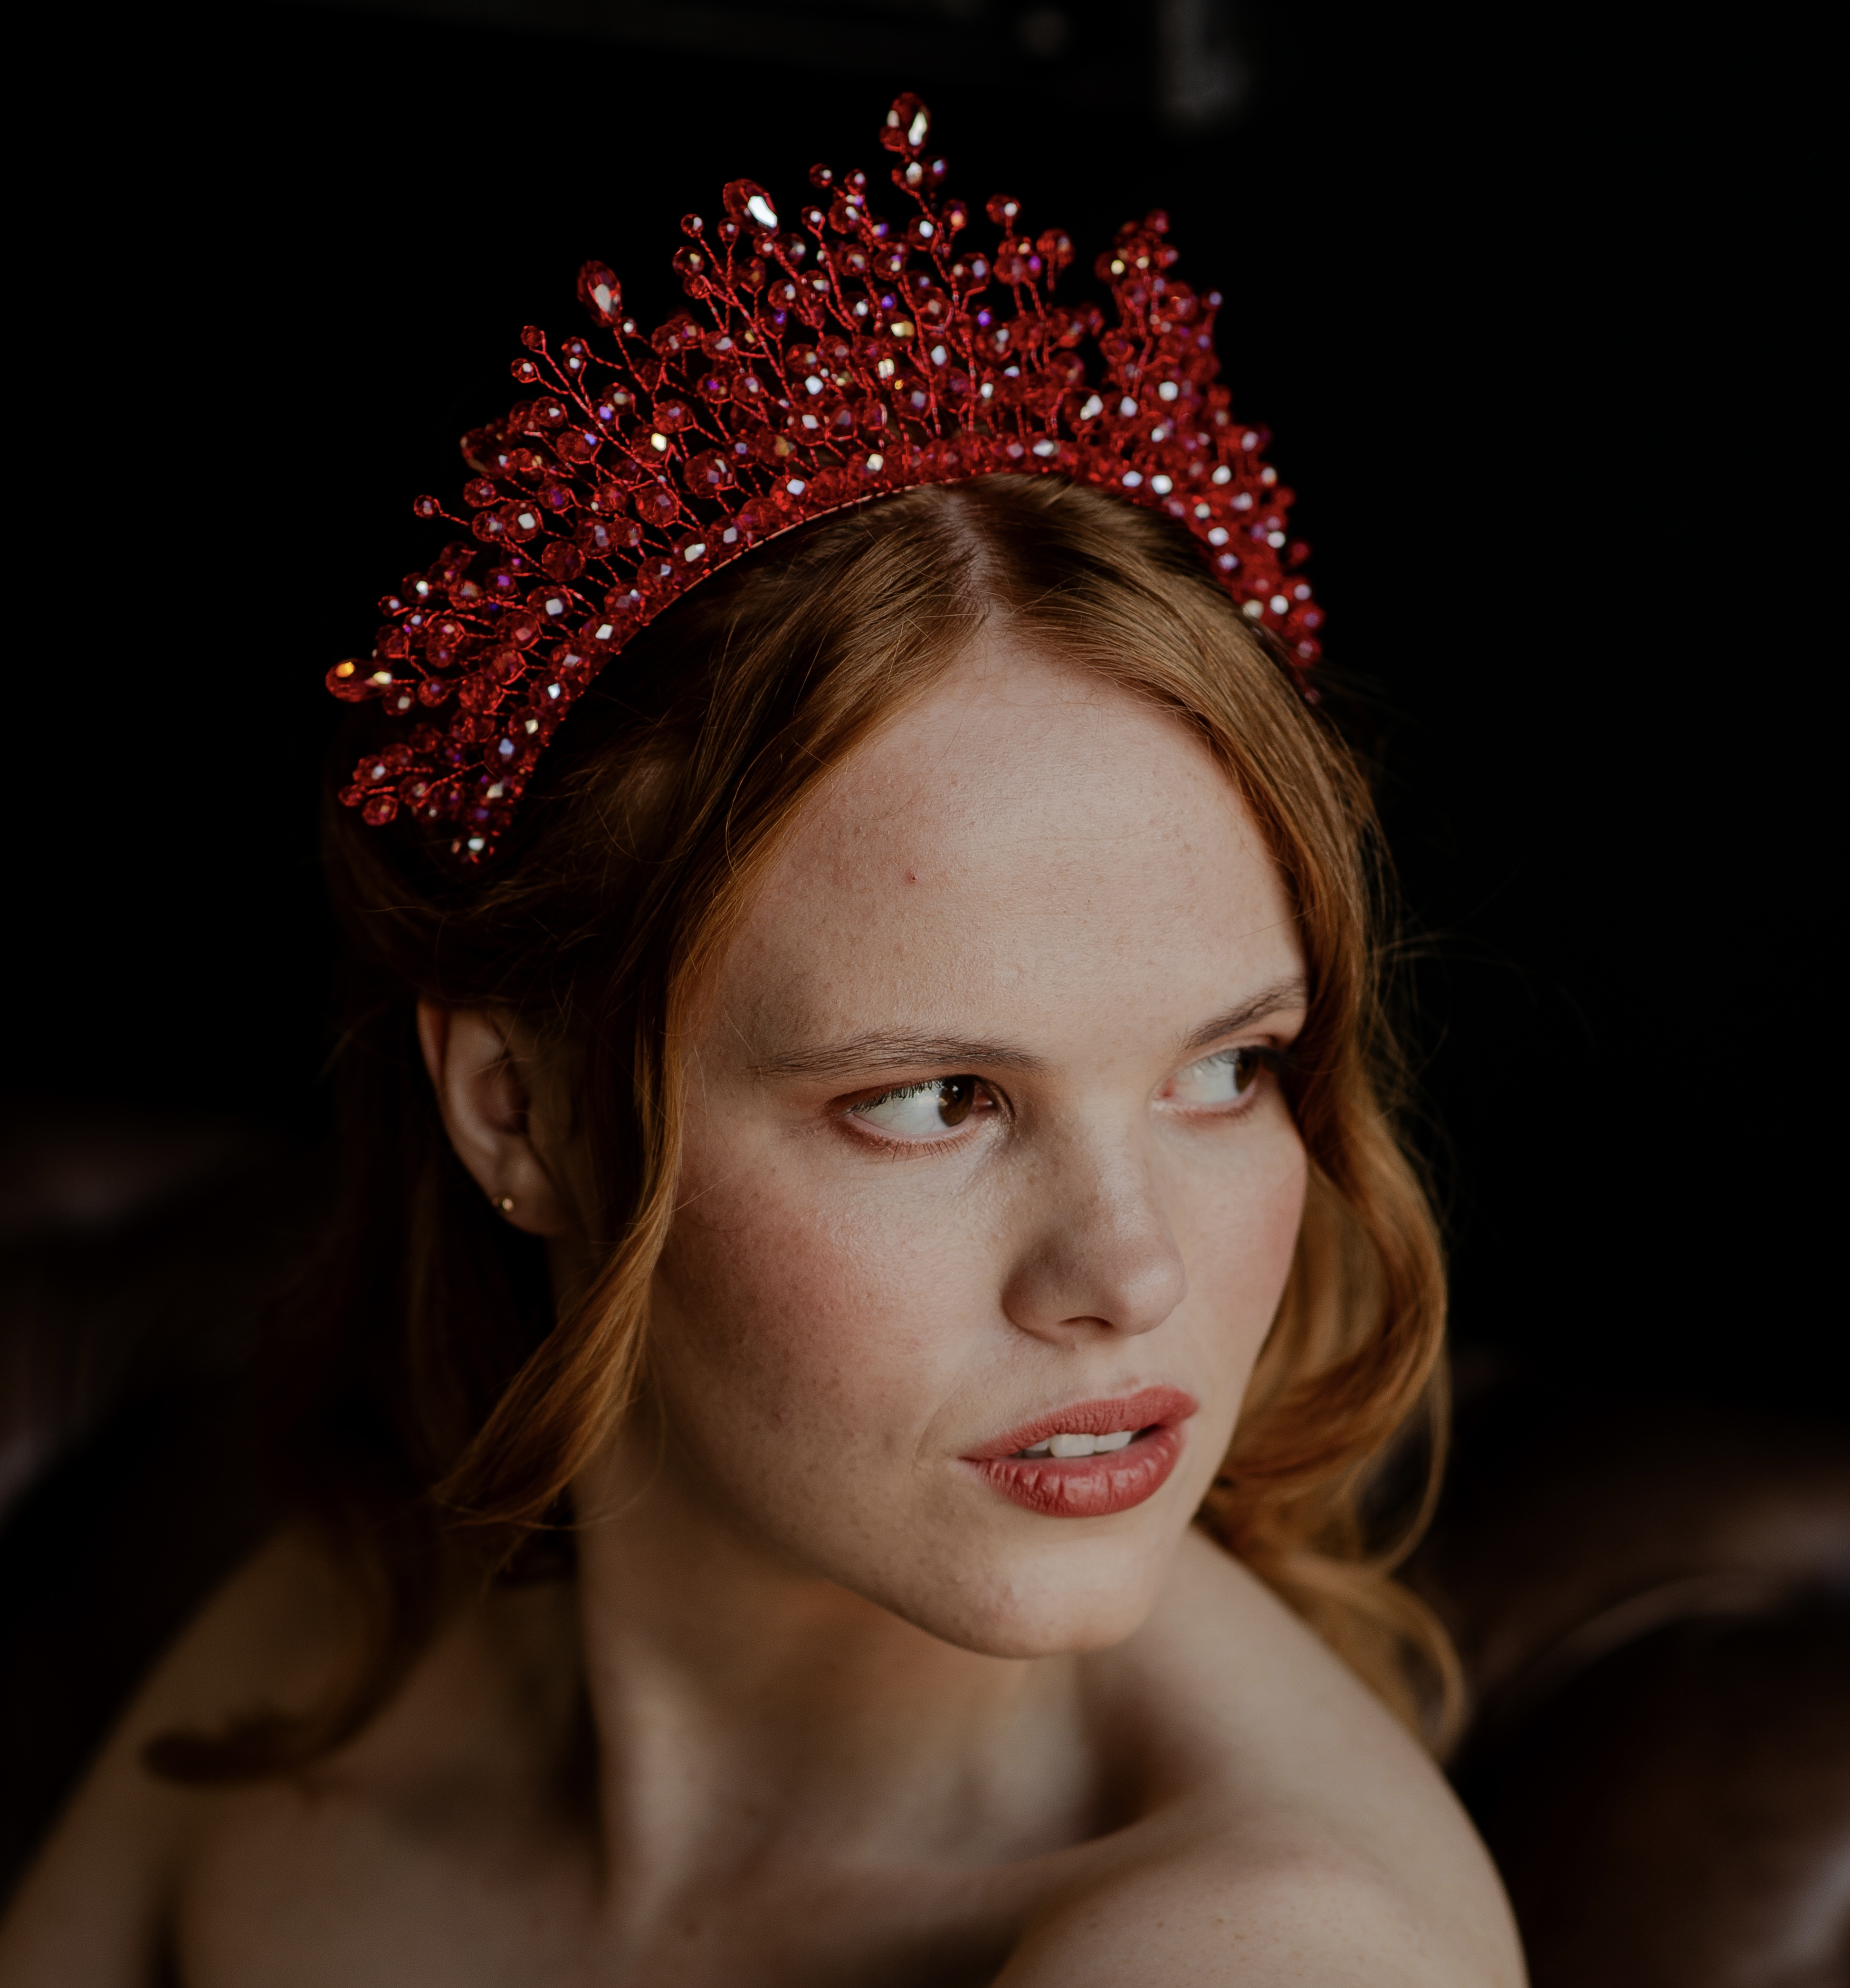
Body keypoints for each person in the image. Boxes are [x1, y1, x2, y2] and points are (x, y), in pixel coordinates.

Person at [0, 98, 1526, 1986]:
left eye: (1226, 1070)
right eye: (936, 1099)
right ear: (516, 1107)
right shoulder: (339, 1644)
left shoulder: (1250, 1953)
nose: (1126, 1274)